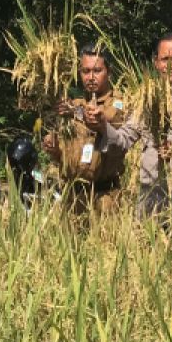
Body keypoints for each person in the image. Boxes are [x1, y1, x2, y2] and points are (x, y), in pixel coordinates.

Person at [100, 33, 172, 218]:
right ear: (155, 62)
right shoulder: (145, 100)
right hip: (150, 197)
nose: (169, 66)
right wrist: (101, 125)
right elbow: (123, 139)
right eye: (164, 59)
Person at [42, 43, 129, 214]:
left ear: (108, 73)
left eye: (97, 71)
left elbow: (107, 118)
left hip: (104, 199)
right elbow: (65, 153)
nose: (90, 77)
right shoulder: (74, 104)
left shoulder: (119, 102)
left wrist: (75, 112)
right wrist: (54, 149)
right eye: (85, 71)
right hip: (73, 198)